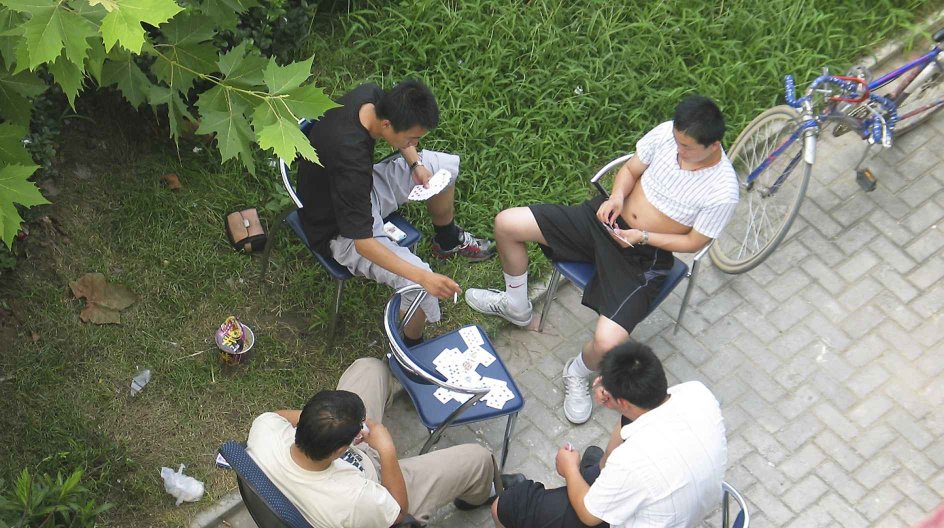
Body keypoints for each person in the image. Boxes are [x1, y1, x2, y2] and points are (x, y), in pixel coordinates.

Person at [465, 95, 738, 424]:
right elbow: (631, 169)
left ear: (713, 145)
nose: (678, 150)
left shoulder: (723, 190)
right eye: (677, 141)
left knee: (607, 341)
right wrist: (618, 197)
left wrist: (643, 237)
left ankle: (577, 372)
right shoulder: (669, 134)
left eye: (687, 147)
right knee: (507, 224)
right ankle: (516, 306)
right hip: (607, 222)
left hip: (643, 256)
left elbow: (694, 242)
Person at [297, 79, 495, 345]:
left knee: (443, 168)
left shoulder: (372, 97)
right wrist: (424, 276)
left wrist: (415, 163)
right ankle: (411, 348)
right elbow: (364, 244)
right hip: (338, 229)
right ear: (387, 125)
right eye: (411, 139)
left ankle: (447, 240)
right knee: (421, 287)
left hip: (360, 189)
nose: (414, 143)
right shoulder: (349, 157)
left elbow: (398, 149)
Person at [247, 357, 524, 527]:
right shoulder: (358, 501)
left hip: (321, 468)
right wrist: (386, 449)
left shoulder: (265, 429)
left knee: (369, 368)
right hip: (376, 480)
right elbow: (398, 511)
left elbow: (279, 416)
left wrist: (326, 422)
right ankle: (478, 495)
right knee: (478, 459)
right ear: (341, 450)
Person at [492, 341, 727, 528]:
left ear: (623, 401)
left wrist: (569, 468)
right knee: (599, 465)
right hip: (683, 507)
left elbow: (588, 515)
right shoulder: (696, 392)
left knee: (508, 505)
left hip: (628, 516)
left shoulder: (631, 462)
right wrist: (618, 403)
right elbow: (610, 458)